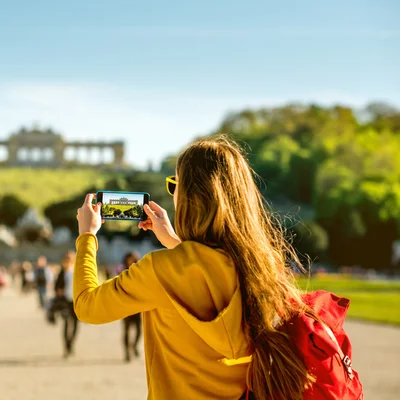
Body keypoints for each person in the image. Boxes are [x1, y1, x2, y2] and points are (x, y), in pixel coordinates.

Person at [74, 136, 314, 400]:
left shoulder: (160, 270)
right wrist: (175, 242)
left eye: (174, 184)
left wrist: (87, 236)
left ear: (189, 194)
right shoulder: (265, 264)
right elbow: (207, 270)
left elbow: (88, 306)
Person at [54, 250, 78, 358]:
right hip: (65, 302)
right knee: (66, 324)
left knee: (75, 325)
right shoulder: (62, 272)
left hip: (76, 302)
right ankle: (66, 346)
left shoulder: (77, 272)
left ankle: (71, 343)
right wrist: (59, 290)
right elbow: (56, 286)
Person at [120, 251, 142, 362]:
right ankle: (127, 353)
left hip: (138, 306)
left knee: (139, 330)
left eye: (133, 259)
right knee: (126, 330)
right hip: (126, 306)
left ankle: (134, 346)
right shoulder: (121, 271)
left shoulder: (139, 270)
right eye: (130, 259)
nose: (131, 261)